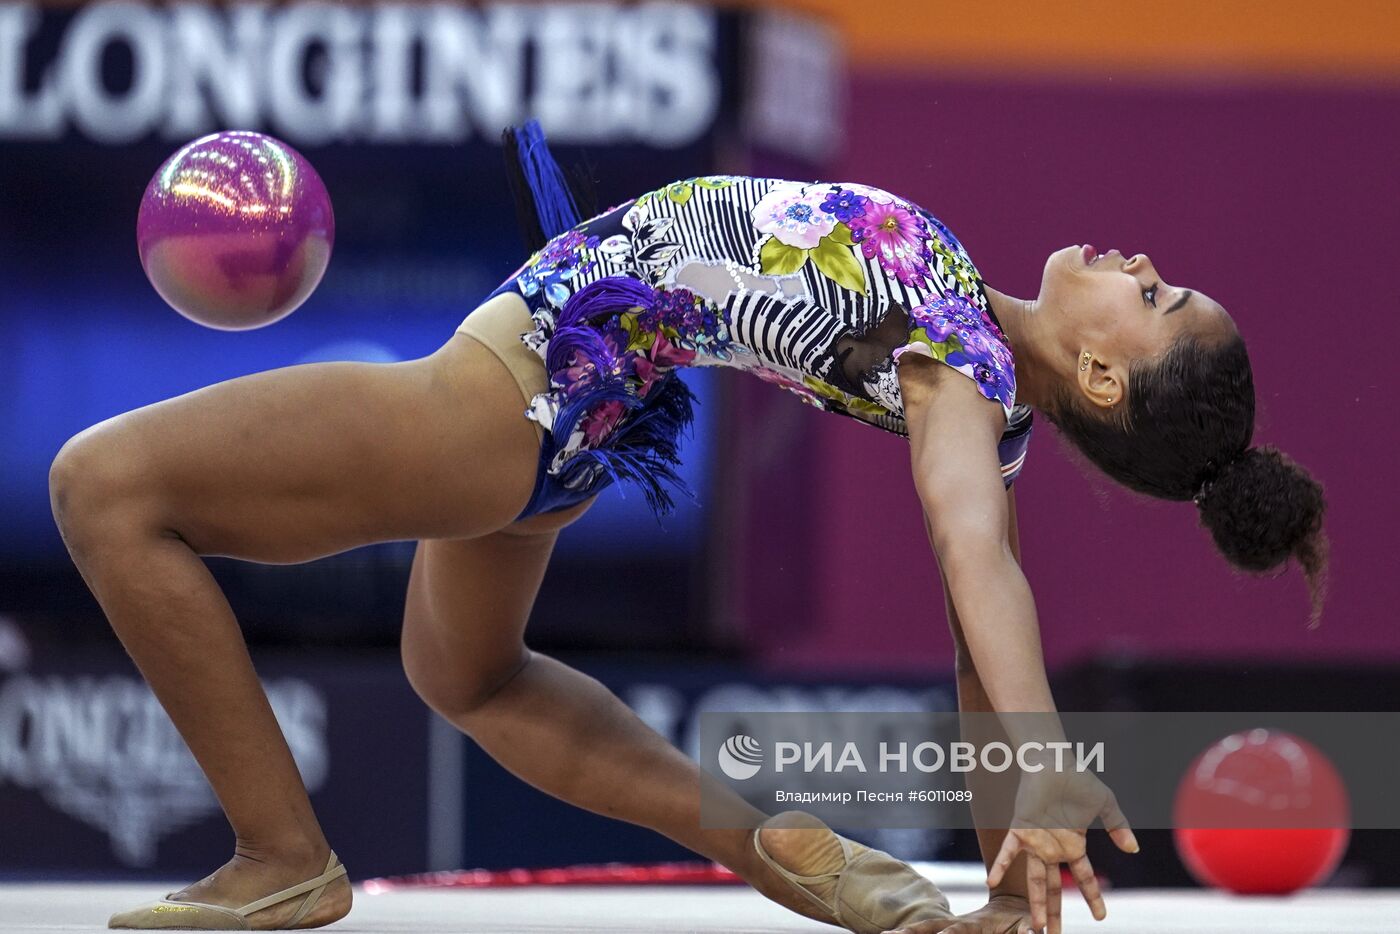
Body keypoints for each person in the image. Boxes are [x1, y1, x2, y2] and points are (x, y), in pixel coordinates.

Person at [49, 125, 1327, 934]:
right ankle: (762, 844)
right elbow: (969, 655)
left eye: (1151, 296)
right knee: (467, 674)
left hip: (510, 391)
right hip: (583, 408)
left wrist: (1044, 766)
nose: (1134, 261)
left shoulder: (960, 356)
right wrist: (1003, 886)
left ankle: (281, 855)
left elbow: (969, 559)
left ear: (1105, 375)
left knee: (103, 486)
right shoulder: (976, 371)